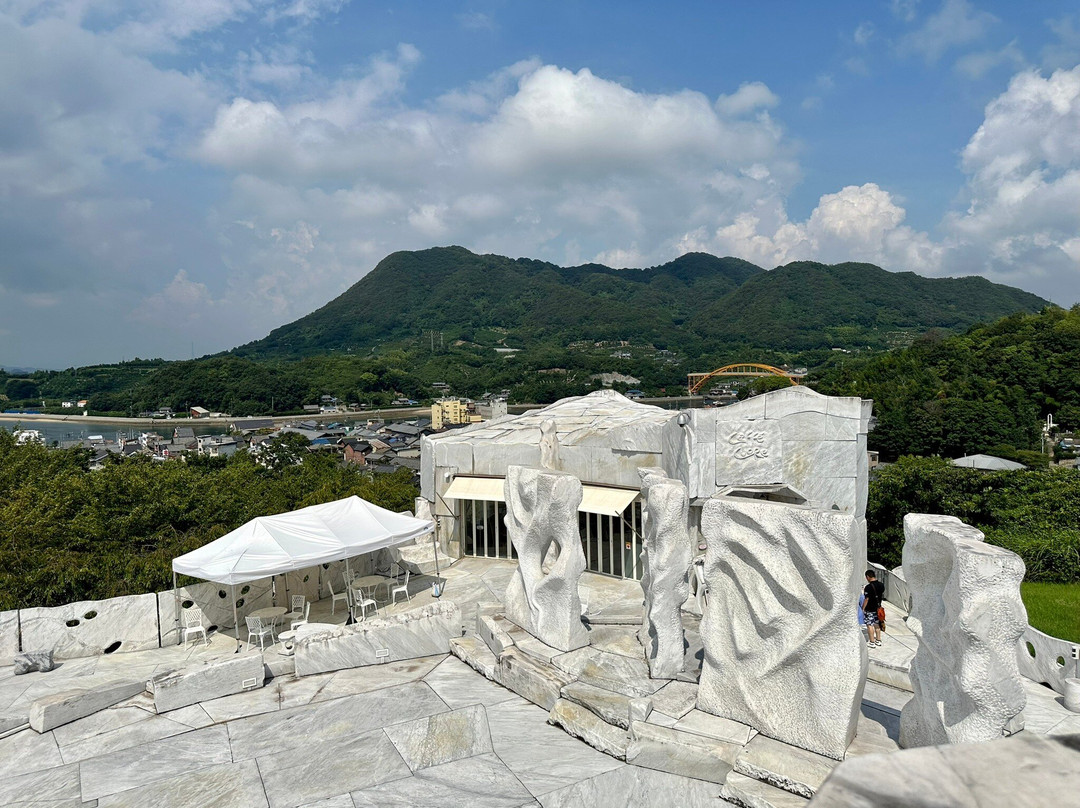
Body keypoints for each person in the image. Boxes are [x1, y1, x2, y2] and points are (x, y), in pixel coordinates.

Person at [863, 570, 885, 648]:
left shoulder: (868, 587)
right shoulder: (881, 585)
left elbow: (866, 599)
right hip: (878, 609)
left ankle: (872, 642)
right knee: (877, 624)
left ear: (868, 577)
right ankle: (878, 640)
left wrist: (863, 608)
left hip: (869, 609)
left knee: (869, 625)